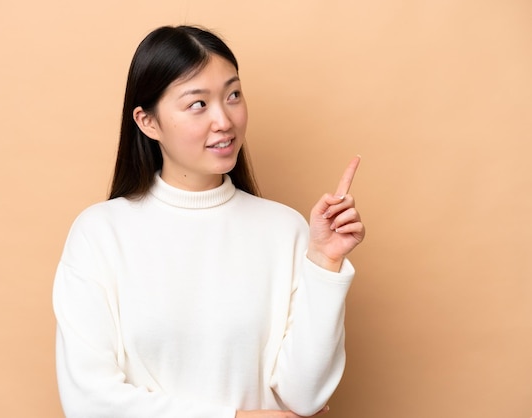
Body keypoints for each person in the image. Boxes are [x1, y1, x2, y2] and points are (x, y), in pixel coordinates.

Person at [53, 25, 365, 418]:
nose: (224, 120)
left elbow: (305, 397)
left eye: (233, 95)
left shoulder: (285, 230)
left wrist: (325, 262)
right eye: (198, 104)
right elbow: (89, 402)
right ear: (148, 122)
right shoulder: (100, 234)